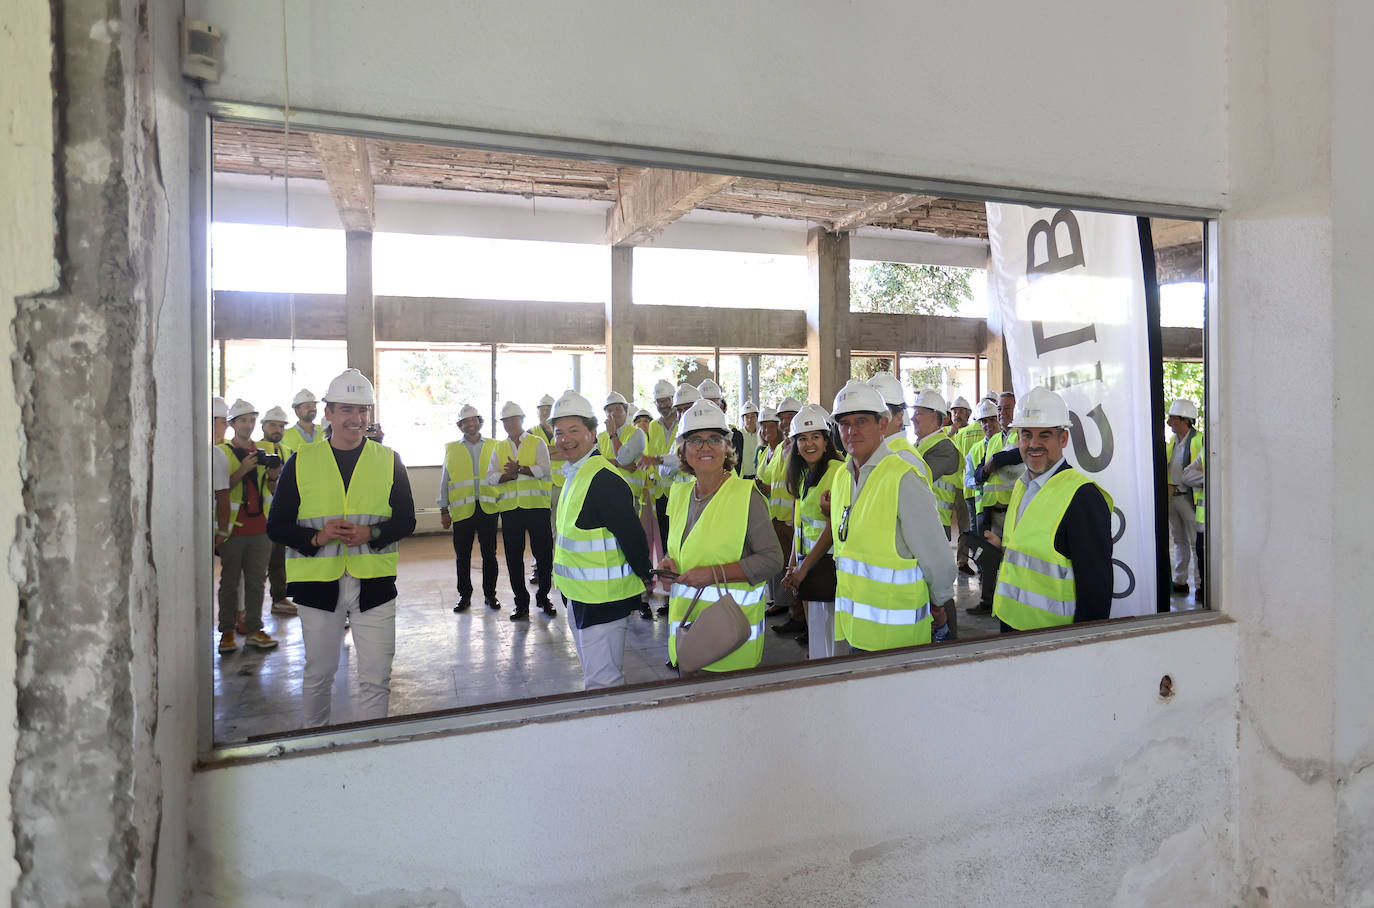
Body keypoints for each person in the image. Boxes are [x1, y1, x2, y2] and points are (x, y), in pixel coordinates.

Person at [267, 369, 415, 727]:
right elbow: (276, 525)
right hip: (317, 586)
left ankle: (371, 745)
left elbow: (406, 521)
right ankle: (316, 744)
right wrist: (315, 538)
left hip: (374, 586)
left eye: (363, 410)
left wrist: (372, 533)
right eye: (347, 409)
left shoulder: (389, 459)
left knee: (376, 678)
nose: (356, 419)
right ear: (329, 413)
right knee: (319, 674)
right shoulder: (301, 461)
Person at [828, 380, 954, 650]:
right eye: (844, 423)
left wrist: (939, 602)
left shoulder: (903, 476)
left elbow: (937, 557)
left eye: (861, 421)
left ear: (882, 424)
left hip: (897, 636)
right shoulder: (842, 478)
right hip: (855, 627)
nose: (852, 431)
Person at [656, 402, 783, 672]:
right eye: (695, 440)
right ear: (683, 450)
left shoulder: (746, 496)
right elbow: (681, 548)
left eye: (714, 438)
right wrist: (669, 562)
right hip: (688, 637)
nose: (705, 447)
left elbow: (772, 560)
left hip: (730, 642)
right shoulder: (679, 494)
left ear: (726, 446)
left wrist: (713, 574)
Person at [983, 386, 1113, 631]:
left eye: (1044, 435)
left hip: (1052, 639)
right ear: (1018, 439)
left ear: (1063, 439)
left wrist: (1082, 646)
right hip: (1011, 623)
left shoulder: (1082, 497)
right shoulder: (1022, 486)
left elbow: (1095, 593)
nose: (1034, 444)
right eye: (1026, 435)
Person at [549, 391, 656, 688]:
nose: (565, 439)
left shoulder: (604, 479)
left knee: (603, 682)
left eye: (574, 430)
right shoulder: (576, 474)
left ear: (592, 432)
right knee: (595, 676)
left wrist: (645, 574)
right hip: (579, 595)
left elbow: (631, 535)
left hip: (603, 600)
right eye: (559, 433)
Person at [214, 399, 281, 654]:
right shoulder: (221, 453)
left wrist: (273, 475)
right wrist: (243, 469)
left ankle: (254, 630)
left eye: (252, 420)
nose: (248, 425)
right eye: (243, 420)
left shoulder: (261, 452)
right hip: (233, 529)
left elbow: (269, 490)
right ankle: (227, 632)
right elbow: (220, 490)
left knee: (256, 582)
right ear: (232, 424)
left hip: (260, 528)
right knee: (229, 583)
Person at [780, 404, 845, 659]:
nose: (809, 444)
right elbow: (801, 526)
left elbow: (831, 528)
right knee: (817, 635)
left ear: (826, 441)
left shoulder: (837, 472)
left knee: (831, 638)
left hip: (829, 566)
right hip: (809, 566)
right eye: (803, 439)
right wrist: (792, 565)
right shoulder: (805, 474)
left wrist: (802, 568)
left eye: (816, 437)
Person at [487, 400, 555, 620]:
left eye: (513, 420)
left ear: (522, 420)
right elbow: (491, 477)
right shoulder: (499, 447)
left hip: (537, 508)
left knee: (543, 554)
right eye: (505, 421)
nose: (509, 424)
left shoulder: (537, 442)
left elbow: (545, 470)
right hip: (510, 510)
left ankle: (544, 597)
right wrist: (507, 475)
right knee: (513, 557)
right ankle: (521, 602)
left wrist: (522, 469)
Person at [438, 403, 501, 612]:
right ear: (460, 425)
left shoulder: (494, 445)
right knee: (462, 557)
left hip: (488, 508)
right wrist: (444, 510)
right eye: (465, 421)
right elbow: (445, 481)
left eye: (473, 419)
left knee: (489, 554)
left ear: (479, 422)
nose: (470, 424)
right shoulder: (452, 448)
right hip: (462, 511)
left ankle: (490, 595)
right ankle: (464, 596)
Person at [971, 391, 1026, 615]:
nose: (1002, 413)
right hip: (991, 508)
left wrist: (996, 460)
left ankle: (1012, 602)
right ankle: (988, 601)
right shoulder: (994, 439)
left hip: (1014, 510)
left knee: (1012, 558)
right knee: (989, 558)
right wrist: (986, 468)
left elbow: (1018, 455)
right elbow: (980, 471)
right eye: (1000, 409)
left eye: (1007, 408)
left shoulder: (1021, 434)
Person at [256, 405, 296, 618]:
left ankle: (279, 599)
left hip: (279, 515)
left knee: (278, 561)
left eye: (281, 426)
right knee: (257, 566)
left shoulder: (287, 451)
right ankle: (251, 610)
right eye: (273, 425)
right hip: (257, 516)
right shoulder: (255, 449)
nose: (277, 429)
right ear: (263, 426)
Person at [910, 389, 963, 538]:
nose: (912, 418)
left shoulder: (944, 448)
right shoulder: (918, 445)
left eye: (917, 413)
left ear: (934, 416)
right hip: (921, 522)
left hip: (934, 525)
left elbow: (915, 479)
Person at [1165, 398, 1204, 595]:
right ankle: (1180, 580)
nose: (1168, 422)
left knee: (1196, 543)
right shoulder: (1172, 443)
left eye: (1172, 418)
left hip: (1190, 498)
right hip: (1173, 497)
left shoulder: (1200, 441)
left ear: (1185, 420)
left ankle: (1200, 584)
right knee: (1179, 539)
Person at [947, 395, 981, 575]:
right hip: (947, 487)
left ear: (968, 414)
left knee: (965, 526)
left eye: (961, 411)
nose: (957, 414)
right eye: (954, 411)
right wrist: (951, 431)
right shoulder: (946, 433)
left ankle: (962, 561)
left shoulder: (974, 431)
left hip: (964, 488)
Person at [697, 379, 746, 474]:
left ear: (721, 406)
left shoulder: (734, 435)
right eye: (704, 405)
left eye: (712, 404)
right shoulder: (691, 434)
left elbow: (735, 465)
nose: (708, 410)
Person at [278, 388, 321, 458]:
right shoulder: (284, 436)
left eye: (314, 406)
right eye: (308, 406)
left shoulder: (325, 431)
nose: (312, 409)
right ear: (297, 411)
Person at [738, 399, 761, 480]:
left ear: (757, 418)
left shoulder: (762, 435)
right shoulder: (738, 435)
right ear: (742, 419)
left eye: (752, 416)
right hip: (742, 478)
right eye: (746, 417)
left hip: (759, 478)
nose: (749, 420)